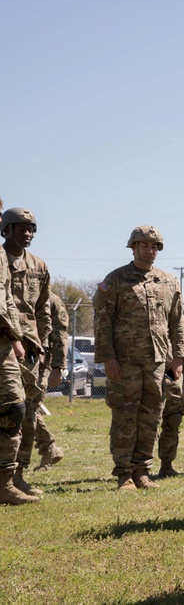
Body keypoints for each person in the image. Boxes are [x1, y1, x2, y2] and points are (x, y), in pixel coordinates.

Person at [93, 226, 184, 490]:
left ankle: (143, 471)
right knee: (124, 416)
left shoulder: (169, 282)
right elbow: (102, 321)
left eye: (154, 246)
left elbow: (178, 322)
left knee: (151, 416)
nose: (150, 250)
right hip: (124, 363)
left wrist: (178, 356)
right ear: (133, 248)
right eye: (144, 245)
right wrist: (107, 357)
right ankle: (124, 474)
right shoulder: (116, 279)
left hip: (157, 362)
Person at [2, 208, 52, 497]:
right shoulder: (0, 260)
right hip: (5, 343)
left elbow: (43, 309)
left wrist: (42, 346)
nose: (28, 233)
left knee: (28, 414)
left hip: (30, 348)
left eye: (32, 229)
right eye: (22, 228)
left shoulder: (39, 266)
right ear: (6, 229)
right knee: (9, 410)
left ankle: (18, 474)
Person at [0, 199, 35, 505]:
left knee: (14, 410)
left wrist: (16, 337)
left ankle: (5, 482)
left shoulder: (0, 256)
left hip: (3, 345)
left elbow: (6, 297)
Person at [34, 293, 68, 471]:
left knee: (28, 407)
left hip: (40, 363)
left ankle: (48, 447)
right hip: (15, 358)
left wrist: (57, 368)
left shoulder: (52, 300)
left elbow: (60, 334)